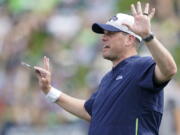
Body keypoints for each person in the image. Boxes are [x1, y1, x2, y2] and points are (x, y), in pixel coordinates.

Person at [34, 2, 177, 135]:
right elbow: (90, 111)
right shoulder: (107, 78)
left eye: (111, 33)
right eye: (104, 33)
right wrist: (49, 91)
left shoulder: (142, 66)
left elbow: (169, 69)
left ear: (129, 39)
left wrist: (147, 36)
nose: (103, 38)